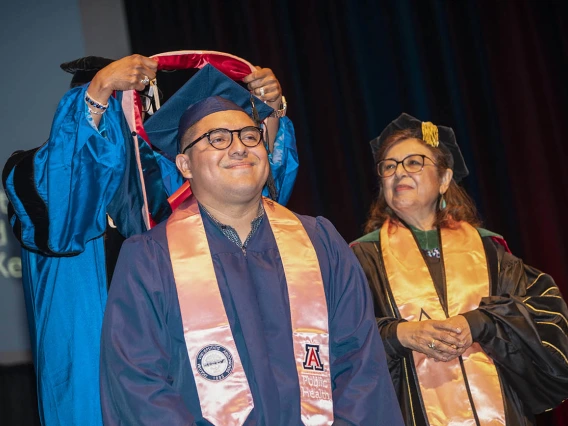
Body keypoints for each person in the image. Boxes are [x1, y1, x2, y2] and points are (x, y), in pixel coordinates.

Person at [2, 53, 298, 426]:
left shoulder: (161, 185)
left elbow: (249, 202)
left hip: (170, 372)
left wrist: (269, 113)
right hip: (90, 368)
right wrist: (99, 92)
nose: (119, 128)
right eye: (104, 113)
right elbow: (69, 198)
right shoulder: (37, 177)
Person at [99, 91, 403, 425]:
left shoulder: (320, 243)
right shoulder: (150, 259)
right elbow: (138, 382)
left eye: (249, 135)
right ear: (185, 165)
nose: (239, 147)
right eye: (217, 139)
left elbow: (360, 362)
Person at [351, 113, 568, 426]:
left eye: (413, 162)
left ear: (443, 179)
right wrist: (400, 333)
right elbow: (342, 338)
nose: (398, 172)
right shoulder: (361, 259)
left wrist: (480, 323)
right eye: (388, 166)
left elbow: (545, 317)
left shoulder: (489, 250)